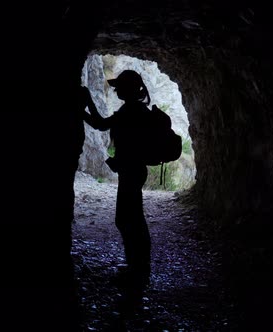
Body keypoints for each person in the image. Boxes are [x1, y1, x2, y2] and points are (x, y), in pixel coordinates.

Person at [81, 70, 152, 295]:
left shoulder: (130, 111)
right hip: (133, 170)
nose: (116, 89)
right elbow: (101, 124)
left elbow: (101, 124)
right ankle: (137, 267)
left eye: (119, 86)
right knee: (132, 218)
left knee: (128, 219)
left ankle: (138, 269)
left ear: (129, 88)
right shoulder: (135, 110)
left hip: (131, 170)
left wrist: (87, 104)